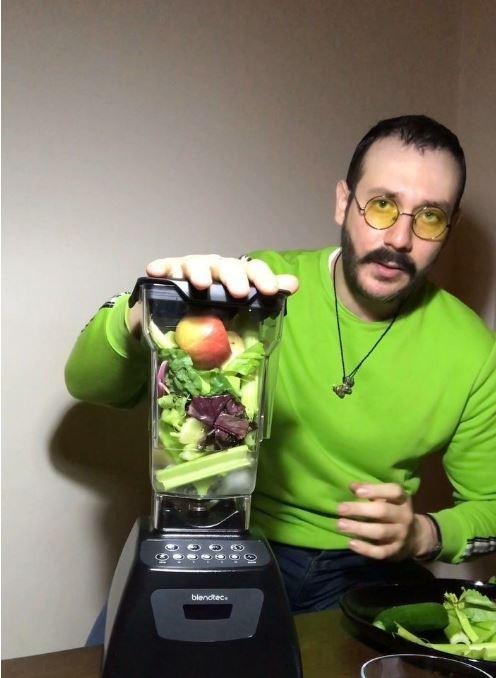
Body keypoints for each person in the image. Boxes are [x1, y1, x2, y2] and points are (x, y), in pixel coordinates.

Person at [65, 115, 496, 644]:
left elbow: (490, 508)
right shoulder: (260, 288)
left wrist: (425, 533)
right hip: (236, 535)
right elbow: (89, 384)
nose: (399, 238)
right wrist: (143, 310)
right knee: (120, 656)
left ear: (448, 227)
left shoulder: (472, 350)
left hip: (363, 570)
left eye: (429, 216)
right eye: (382, 205)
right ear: (343, 202)